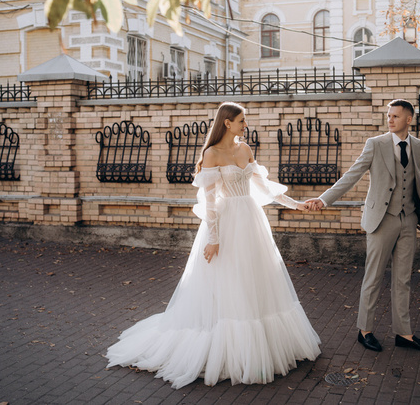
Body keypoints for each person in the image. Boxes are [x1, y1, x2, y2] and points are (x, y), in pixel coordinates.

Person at [106, 102, 321, 389]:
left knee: (255, 280)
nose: (246, 124)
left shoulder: (245, 149)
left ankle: (262, 347)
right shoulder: (211, 154)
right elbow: (209, 201)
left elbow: (264, 188)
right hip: (227, 224)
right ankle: (233, 349)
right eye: (242, 120)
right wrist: (213, 239)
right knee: (229, 282)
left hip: (252, 222)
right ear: (227, 122)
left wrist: (297, 205)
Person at [307, 99, 420, 352]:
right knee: (373, 277)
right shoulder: (375, 145)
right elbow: (352, 175)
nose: (390, 120)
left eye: (395, 116)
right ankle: (365, 331)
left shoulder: (419, 147)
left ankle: (404, 334)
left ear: (408, 119)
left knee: (403, 280)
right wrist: (323, 199)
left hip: (408, 220)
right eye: (388, 116)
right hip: (381, 220)